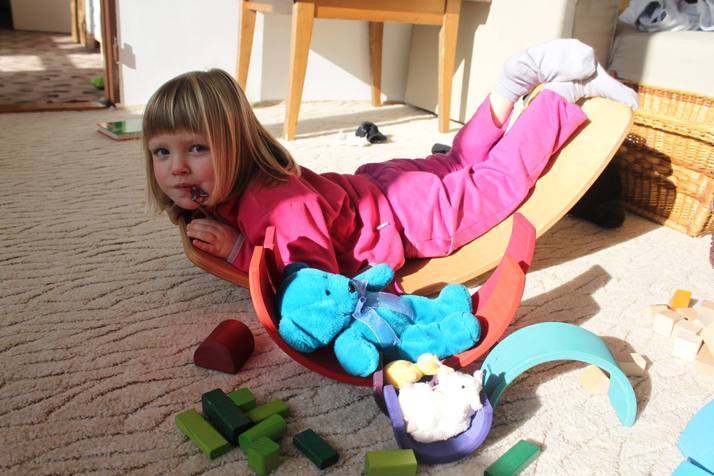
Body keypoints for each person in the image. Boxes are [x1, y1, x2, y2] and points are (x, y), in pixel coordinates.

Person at [143, 39, 638, 277]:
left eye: (196, 149)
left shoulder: (275, 205)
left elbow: (312, 281)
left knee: (494, 182)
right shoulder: (234, 187)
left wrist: (240, 252)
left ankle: (561, 96)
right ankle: (510, 86)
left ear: (236, 146)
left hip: (407, 220)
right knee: (456, 163)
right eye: (162, 152)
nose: (176, 168)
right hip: (378, 188)